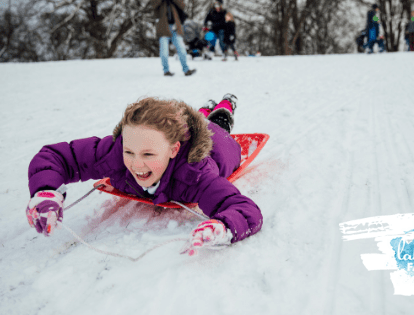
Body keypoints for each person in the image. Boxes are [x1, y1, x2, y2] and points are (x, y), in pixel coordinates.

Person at [25, 94, 262, 256]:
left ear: (173, 150)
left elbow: (242, 208)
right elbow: (58, 156)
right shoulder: (116, 151)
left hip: (219, 142)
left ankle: (225, 104)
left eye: (148, 154)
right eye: (129, 151)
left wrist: (224, 226)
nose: (136, 164)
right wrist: (46, 190)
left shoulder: (194, 172)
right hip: (173, 130)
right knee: (193, 117)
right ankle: (201, 110)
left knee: (217, 122)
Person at [152, 0, 196, 76]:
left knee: (182, 49)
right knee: (164, 51)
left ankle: (186, 70)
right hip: (163, 28)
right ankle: (166, 71)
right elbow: (153, 5)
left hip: (175, 27)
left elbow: (182, 5)